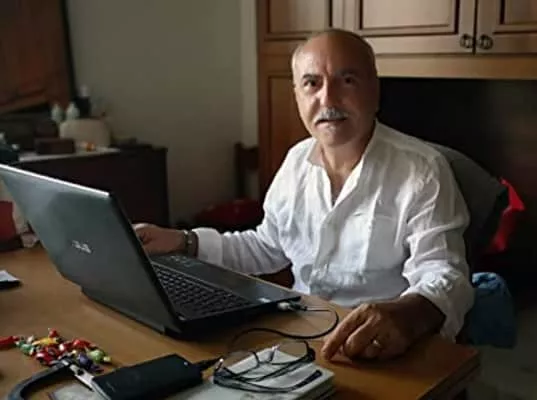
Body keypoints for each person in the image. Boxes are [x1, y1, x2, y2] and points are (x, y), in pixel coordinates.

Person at [135, 29, 474, 361]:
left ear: (375, 90)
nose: (328, 99)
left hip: (380, 348)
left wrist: (410, 313)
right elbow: (267, 246)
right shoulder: (297, 160)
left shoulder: (422, 170)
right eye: (312, 83)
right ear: (297, 95)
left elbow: (445, 274)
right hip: (301, 335)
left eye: (347, 80)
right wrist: (183, 242)